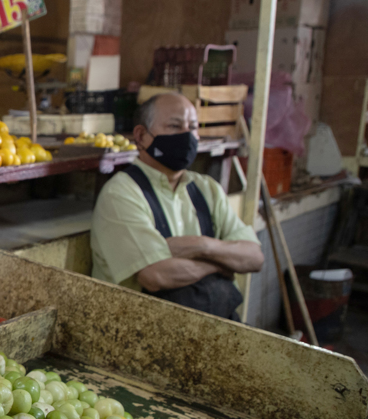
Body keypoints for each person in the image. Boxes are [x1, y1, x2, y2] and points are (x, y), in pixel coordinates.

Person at [90, 92, 264, 320]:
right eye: (174, 126)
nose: (187, 135)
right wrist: (220, 265)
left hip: (214, 331)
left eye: (192, 127)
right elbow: (156, 275)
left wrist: (202, 246)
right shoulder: (121, 194)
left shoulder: (207, 189)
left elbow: (254, 257)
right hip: (143, 334)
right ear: (141, 136)